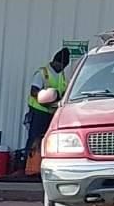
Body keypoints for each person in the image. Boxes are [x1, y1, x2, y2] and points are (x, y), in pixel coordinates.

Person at [15, 43, 78, 178]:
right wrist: (47, 98)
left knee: (48, 141)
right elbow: (34, 92)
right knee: (34, 139)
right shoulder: (42, 73)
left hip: (52, 113)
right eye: (60, 65)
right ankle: (27, 168)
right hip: (39, 111)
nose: (61, 68)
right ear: (55, 61)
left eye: (63, 67)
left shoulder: (61, 76)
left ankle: (42, 167)